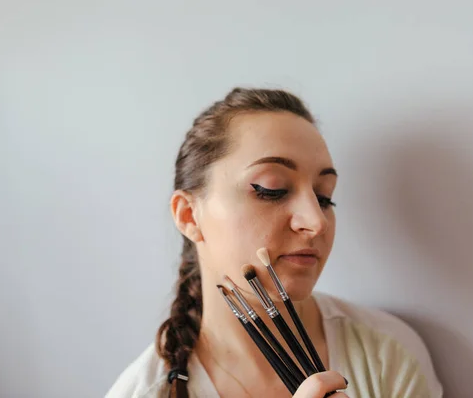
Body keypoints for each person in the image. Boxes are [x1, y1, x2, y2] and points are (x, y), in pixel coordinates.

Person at [106, 87, 443, 397]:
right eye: (271, 190)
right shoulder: (144, 392)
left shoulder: (386, 354)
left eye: (325, 197)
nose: (315, 221)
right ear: (189, 216)